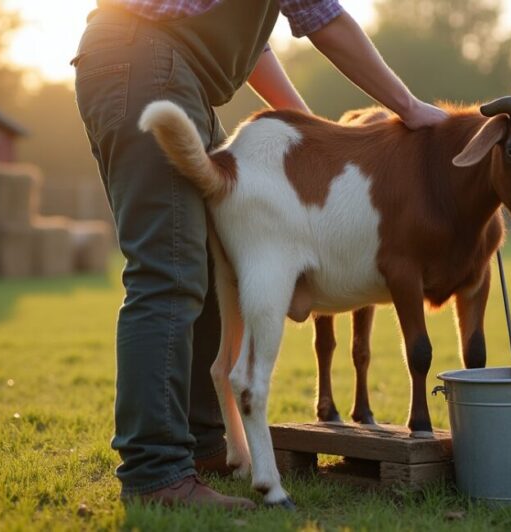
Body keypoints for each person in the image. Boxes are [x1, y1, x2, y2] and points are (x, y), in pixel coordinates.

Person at [72, 0, 448, 509]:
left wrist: (311, 130)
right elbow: (324, 20)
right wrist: (409, 107)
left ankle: (201, 447)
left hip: (162, 68)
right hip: (148, 63)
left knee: (209, 261)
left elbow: (251, 48)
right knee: (169, 269)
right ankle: (156, 474)